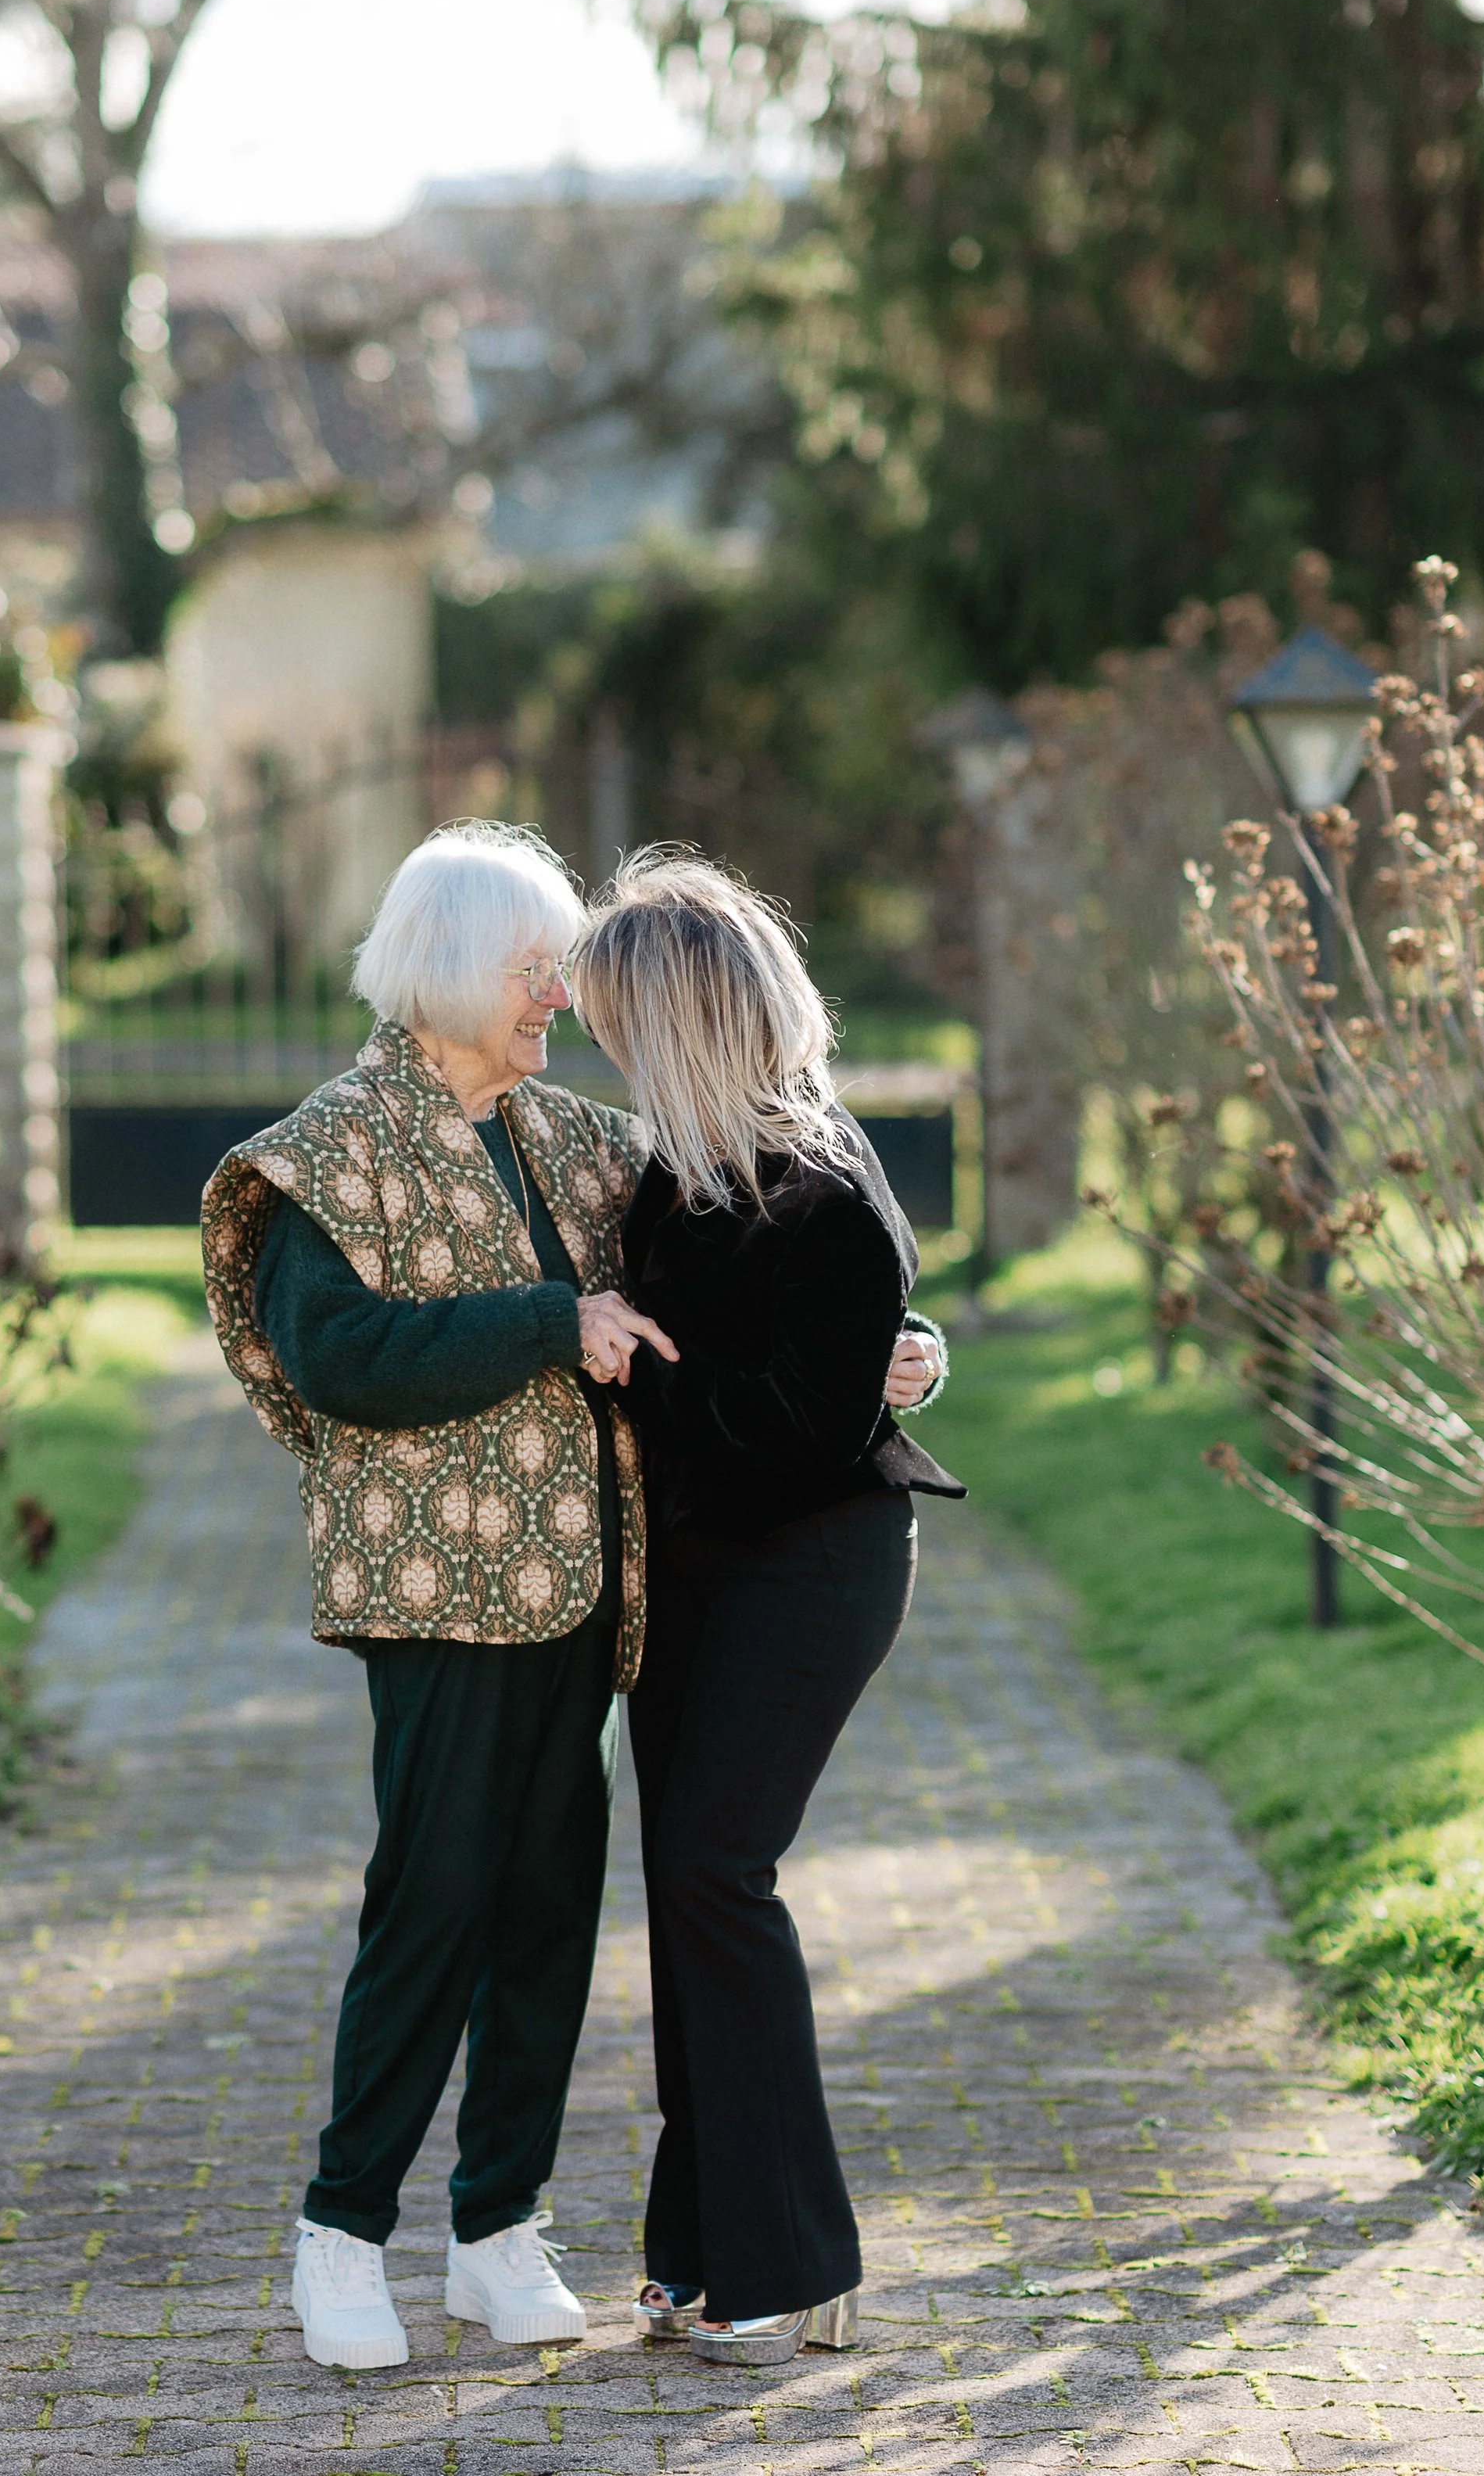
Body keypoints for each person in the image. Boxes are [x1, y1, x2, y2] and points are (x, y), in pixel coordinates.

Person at [201, 824, 675, 2372]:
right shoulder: (325, 1153)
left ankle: (494, 2229)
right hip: (439, 1595)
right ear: (448, 966)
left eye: (559, 967)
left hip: (581, 1590)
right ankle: (341, 2236)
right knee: (434, 1906)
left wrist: (886, 1345)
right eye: (533, 967)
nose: (557, 996)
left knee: (545, 1913)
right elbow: (344, 1360)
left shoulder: (576, 1140)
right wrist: (549, 1319)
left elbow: (718, 1276)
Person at [568, 848, 960, 2367]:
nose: (600, 1039)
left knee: (720, 1873)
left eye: (617, 1013)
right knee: (682, 1885)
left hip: (811, 1562)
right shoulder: (674, 1164)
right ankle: (698, 2248)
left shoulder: (823, 1187)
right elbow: (750, 1367)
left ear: (678, 1017)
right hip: (695, 1563)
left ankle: (793, 2264)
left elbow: (790, 1427)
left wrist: (620, 1362)